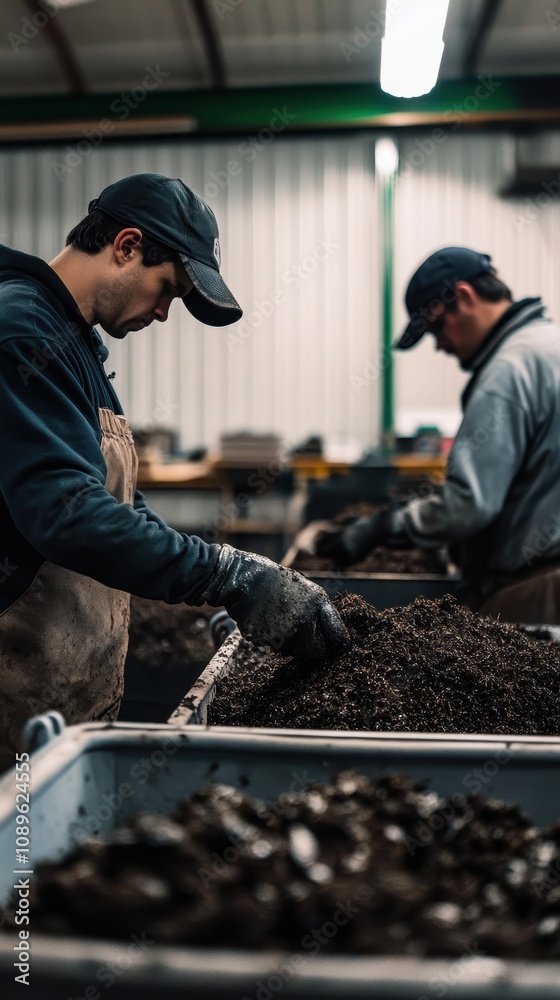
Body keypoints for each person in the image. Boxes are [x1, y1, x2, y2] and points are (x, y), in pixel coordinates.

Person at [0, 172, 349, 759]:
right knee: (19, 851)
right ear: (127, 245)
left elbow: (116, 505)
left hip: (56, 701)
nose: (164, 313)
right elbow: (68, 515)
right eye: (168, 289)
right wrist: (225, 574)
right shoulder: (22, 331)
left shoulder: (73, 341)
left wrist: (228, 567)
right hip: (14, 694)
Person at [318, 246, 560, 624]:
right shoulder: (548, 346)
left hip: (538, 588)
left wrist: (387, 525)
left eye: (436, 329)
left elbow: (470, 503)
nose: (441, 345)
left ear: (463, 297)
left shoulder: (507, 371)